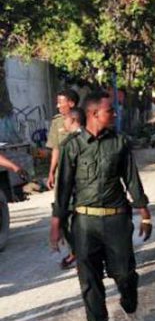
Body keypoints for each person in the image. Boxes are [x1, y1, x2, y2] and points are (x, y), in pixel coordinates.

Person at [50, 91, 153, 321]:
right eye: (111, 111)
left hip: (117, 220)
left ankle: (130, 308)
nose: (115, 114)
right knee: (90, 283)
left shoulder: (119, 143)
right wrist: (56, 224)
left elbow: (132, 180)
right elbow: (63, 189)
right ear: (95, 114)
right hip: (84, 223)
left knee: (126, 274)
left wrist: (145, 213)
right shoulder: (73, 146)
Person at [58, 107, 87, 269]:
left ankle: (77, 253)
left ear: (74, 120)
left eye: (66, 119)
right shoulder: (92, 137)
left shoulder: (69, 143)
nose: (64, 123)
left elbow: (65, 176)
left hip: (76, 194)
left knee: (70, 224)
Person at [46, 89, 80, 189]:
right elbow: (56, 149)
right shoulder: (57, 122)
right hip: (63, 169)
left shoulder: (84, 119)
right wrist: (51, 172)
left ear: (71, 103)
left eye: (60, 103)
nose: (58, 106)